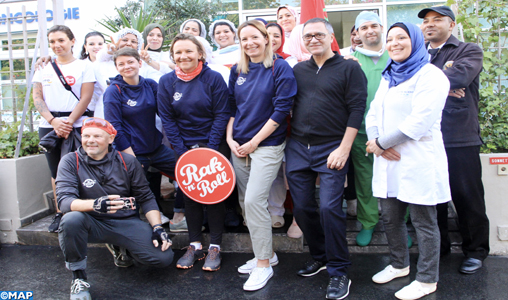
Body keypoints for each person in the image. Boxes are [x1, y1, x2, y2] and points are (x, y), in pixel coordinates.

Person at [366, 22, 450, 300]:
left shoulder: (431, 76)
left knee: (423, 221)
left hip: (417, 157)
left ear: (414, 40)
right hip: (389, 158)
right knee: (390, 217)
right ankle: (399, 264)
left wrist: (380, 144)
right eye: (390, 39)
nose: (395, 43)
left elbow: (420, 122)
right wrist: (378, 142)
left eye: (402, 37)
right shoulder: (389, 76)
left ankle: (427, 279)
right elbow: (373, 113)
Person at [286, 18, 367, 300]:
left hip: (333, 146)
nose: (313, 39)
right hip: (298, 147)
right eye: (307, 36)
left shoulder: (349, 68)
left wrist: (344, 149)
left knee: (330, 208)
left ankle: (339, 270)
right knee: (303, 209)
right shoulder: (298, 70)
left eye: (319, 34)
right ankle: (320, 256)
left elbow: (357, 109)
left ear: (330, 36)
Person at [55, 117, 173, 300]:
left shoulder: (128, 162)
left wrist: (158, 228)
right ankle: (78, 277)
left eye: (97, 136)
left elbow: (146, 197)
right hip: (90, 222)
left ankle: (121, 245)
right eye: (86, 136)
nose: (90, 140)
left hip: (125, 221)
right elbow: (64, 202)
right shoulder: (70, 161)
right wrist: (95, 204)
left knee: (163, 259)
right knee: (70, 219)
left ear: (111, 139)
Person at [418, 5, 489, 274]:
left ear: (451, 24)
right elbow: (407, 83)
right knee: (431, 198)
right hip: (425, 137)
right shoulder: (419, 54)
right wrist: (442, 87)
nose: (430, 24)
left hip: (459, 136)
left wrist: (427, 84)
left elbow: (460, 75)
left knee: (467, 196)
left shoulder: (468, 50)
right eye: (426, 21)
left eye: (437, 20)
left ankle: (476, 251)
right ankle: (439, 248)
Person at [228, 21, 296, 291]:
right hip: (239, 145)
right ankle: (265, 254)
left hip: (267, 145)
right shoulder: (238, 70)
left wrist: (255, 141)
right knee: (246, 203)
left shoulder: (280, 68)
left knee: (256, 200)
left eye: (254, 37)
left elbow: (281, 111)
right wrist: (230, 139)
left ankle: (263, 265)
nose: (249, 43)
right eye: (244, 39)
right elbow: (232, 107)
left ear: (266, 38)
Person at [158, 33, 230, 271]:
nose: (183, 56)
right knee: (190, 195)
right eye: (178, 52)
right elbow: (167, 118)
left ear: (200, 53)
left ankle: (216, 246)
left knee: (214, 195)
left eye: (188, 51)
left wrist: (209, 148)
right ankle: (195, 245)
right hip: (183, 147)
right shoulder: (167, 82)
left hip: (214, 144)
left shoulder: (214, 78)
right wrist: (181, 149)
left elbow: (222, 114)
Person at [33, 25, 96, 233]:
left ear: (72, 41)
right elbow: (37, 97)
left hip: (77, 124)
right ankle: (61, 212)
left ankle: (84, 211)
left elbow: (86, 96)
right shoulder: (43, 67)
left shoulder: (84, 66)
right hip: (50, 126)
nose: (56, 45)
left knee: (83, 168)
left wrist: (68, 122)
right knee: (56, 171)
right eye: (52, 42)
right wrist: (53, 122)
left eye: (61, 40)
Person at [102, 47, 176, 188]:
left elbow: (165, 114)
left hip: (156, 148)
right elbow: (114, 127)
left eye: (130, 62)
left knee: (186, 170)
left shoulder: (150, 85)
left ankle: (181, 209)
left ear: (139, 63)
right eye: (121, 64)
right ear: (117, 68)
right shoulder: (113, 91)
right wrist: (132, 159)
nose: (127, 66)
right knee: (136, 189)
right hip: (131, 151)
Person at [348, 11, 389, 247]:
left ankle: (400, 223)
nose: (369, 31)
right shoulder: (351, 61)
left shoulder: (397, 57)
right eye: (364, 28)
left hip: (393, 133)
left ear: (382, 28)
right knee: (365, 179)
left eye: (374, 25)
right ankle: (368, 223)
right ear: (357, 33)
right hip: (361, 131)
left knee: (396, 177)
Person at [94, 28, 163, 119]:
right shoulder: (104, 64)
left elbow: (160, 80)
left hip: (137, 115)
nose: (129, 43)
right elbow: (99, 57)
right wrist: (110, 51)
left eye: (133, 41)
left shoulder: (142, 66)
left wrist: (148, 60)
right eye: (125, 40)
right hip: (108, 113)